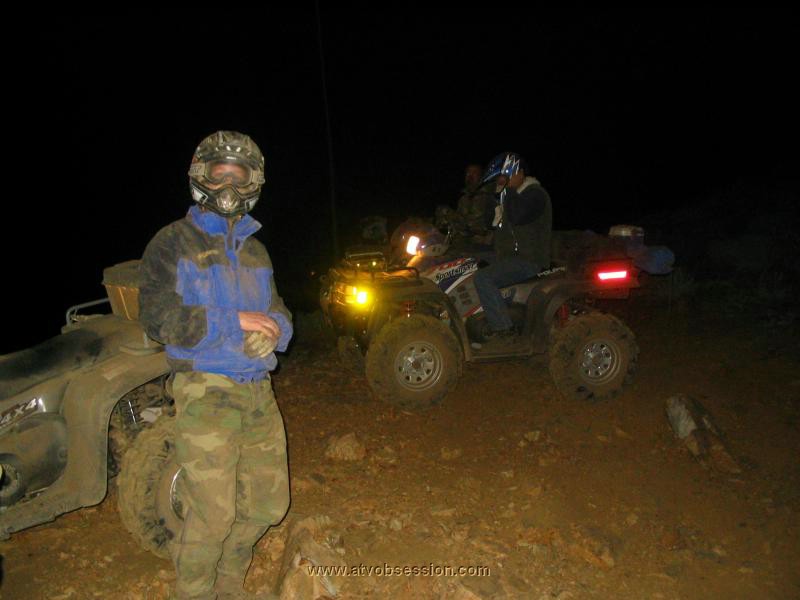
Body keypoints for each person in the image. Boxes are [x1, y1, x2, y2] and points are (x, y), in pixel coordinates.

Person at [139, 130, 292, 600]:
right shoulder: (172, 243)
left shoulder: (256, 250)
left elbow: (279, 311)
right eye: (219, 174)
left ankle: (229, 580)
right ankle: (196, 592)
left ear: (253, 182)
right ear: (200, 177)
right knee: (212, 513)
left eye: (238, 175)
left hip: (256, 391)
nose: (228, 184)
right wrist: (231, 323)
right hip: (204, 391)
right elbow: (158, 316)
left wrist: (275, 332)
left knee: (270, 505)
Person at [473, 152, 552, 348]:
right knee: (466, 262)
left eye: (504, 176)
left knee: (483, 278)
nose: (501, 180)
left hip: (529, 260)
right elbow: (489, 224)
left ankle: (503, 330)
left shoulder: (535, 195)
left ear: (518, 173)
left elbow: (517, 216)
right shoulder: (508, 196)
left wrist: (506, 191)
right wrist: (494, 197)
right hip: (507, 256)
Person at [435, 163, 495, 248]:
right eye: (468, 173)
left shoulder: (486, 196)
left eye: (474, 173)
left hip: (482, 246)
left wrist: (449, 214)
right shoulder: (464, 198)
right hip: (464, 244)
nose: (470, 176)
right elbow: (459, 223)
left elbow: (473, 226)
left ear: (481, 177)